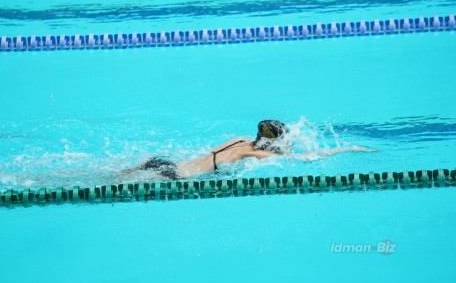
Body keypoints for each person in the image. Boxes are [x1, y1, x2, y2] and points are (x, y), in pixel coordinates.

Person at [123, 120, 376, 180]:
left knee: (108, 175)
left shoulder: (237, 141)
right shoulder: (247, 153)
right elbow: (300, 158)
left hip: (166, 163)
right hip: (173, 177)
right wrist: (344, 149)